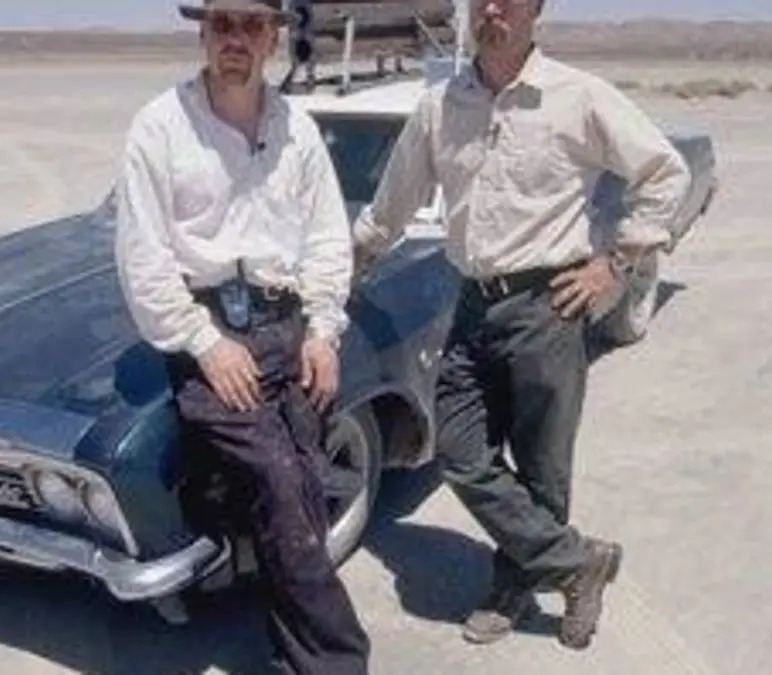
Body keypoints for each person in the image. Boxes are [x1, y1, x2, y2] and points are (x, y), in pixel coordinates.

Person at [353, 0, 692, 652]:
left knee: (542, 469)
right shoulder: (441, 105)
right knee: (459, 453)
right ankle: (578, 562)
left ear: (536, 9)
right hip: (471, 303)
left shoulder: (578, 97)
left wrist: (615, 264)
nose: (492, 9)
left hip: (549, 306)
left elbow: (664, 173)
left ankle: (513, 585)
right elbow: (393, 203)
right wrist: (350, 263)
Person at [113, 1, 370, 673]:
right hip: (213, 336)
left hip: (289, 327)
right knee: (281, 486)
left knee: (302, 492)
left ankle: (291, 656)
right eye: (222, 23)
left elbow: (326, 238)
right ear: (202, 33)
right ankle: (341, 662)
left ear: (273, 37)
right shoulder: (160, 126)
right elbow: (142, 258)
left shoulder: (297, 129)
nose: (236, 38)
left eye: (251, 25)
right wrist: (204, 342)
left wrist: (323, 330)